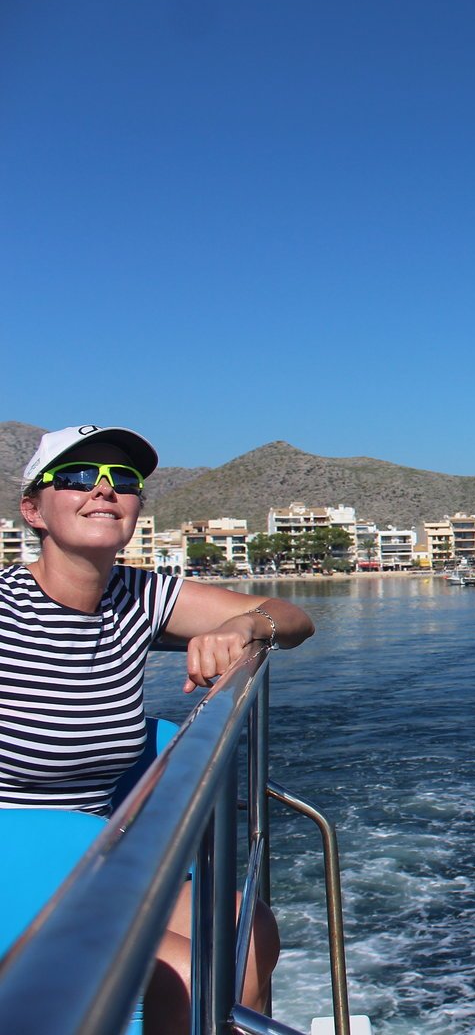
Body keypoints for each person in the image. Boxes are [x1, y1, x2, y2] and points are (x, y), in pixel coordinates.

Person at [0, 423, 315, 1033]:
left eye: (123, 481)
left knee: (248, 933)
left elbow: (293, 617)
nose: (103, 491)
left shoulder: (138, 596)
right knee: (190, 974)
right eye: (75, 478)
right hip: (10, 839)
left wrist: (245, 627)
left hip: (93, 838)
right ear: (33, 509)